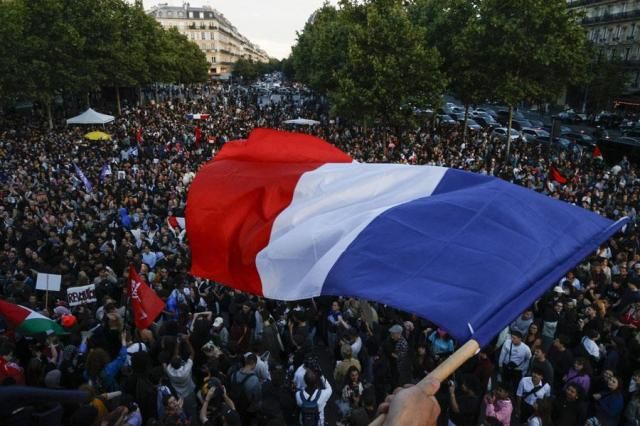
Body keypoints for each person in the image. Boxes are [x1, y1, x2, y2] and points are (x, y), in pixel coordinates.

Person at [164, 334, 199, 425]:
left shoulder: (169, 370)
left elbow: (175, 356)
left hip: (179, 395)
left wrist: (178, 343)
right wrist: (187, 341)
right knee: (192, 409)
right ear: (181, 363)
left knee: (182, 410)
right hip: (189, 393)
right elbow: (192, 354)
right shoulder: (185, 370)